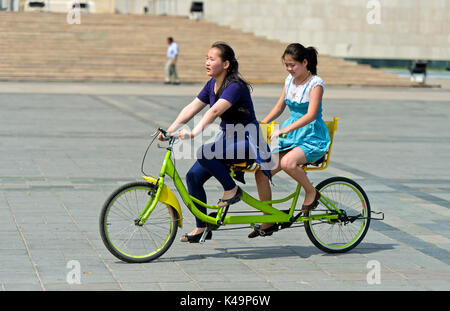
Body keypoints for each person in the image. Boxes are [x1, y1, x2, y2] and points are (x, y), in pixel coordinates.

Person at [159, 42, 272, 243]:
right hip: (227, 141)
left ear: (226, 64)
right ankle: (201, 228)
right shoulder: (211, 84)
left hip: (248, 142)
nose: (207, 62)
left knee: (204, 152)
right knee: (193, 176)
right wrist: (170, 130)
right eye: (206, 58)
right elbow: (191, 108)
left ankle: (232, 190)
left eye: (212, 59)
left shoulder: (235, 86)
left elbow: (215, 111)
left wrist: (193, 133)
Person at [248, 43, 331, 238]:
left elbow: (311, 115)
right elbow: (279, 107)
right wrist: (262, 123)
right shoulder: (289, 81)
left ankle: (311, 192)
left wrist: (284, 129)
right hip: (292, 135)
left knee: (287, 162)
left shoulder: (315, 84)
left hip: (311, 136)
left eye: (292, 65)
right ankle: (268, 219)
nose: (289, 69)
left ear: (305, 63)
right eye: (286, 65)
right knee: (262, 172)